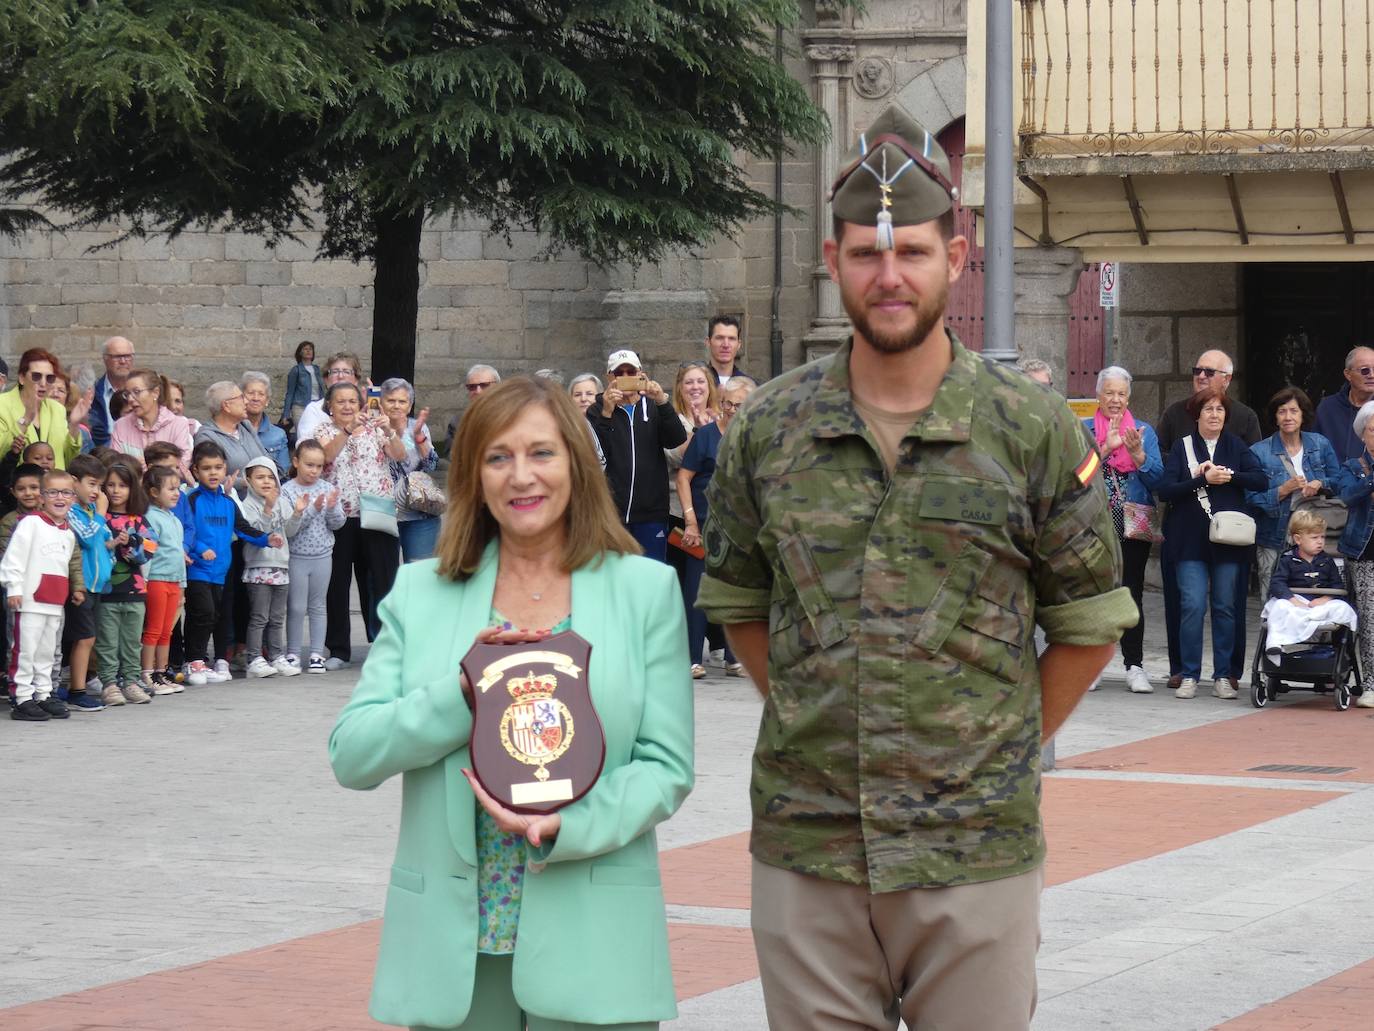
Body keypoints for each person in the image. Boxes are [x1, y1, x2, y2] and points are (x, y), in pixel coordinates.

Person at [696, 105, 1134, 1031]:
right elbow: (739, 603)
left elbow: (1090, 623)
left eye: (912, 254)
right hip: (807, 849)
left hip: (976, 852)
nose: (888, 277)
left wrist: (996, 745)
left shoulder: (1030, 428)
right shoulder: (768, 429)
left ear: (958, 254)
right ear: (832, 260)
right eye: (864, 255)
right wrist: (828, 714)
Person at [328, 375, 693, 1031]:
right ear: (474, 474)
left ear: (577, 466)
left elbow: (666, 766)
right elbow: (353, 754)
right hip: (457, 956)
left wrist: (566, 826)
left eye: (541, 453)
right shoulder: (420, 593)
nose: (521, 476)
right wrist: (462, 692)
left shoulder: (645, 591)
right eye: (498, 456)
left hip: (596, 945)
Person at [1155, 350, 1263, 692]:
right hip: (1189, 539)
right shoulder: (1184, 446)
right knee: (1192, 605)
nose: (1214, 414)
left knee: (1226, 607)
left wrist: (1228, 477)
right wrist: (1200, 478)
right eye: (1208, 409)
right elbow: (1165, 490)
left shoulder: (1235, 445)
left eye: (1219, 409)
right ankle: (1189, 674)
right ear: (1196, 415)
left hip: (1228, 541)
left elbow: (1261, 479)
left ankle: (1222, 676)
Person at [1084, 366, 1166, 694]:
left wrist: (1138, 455)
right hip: (1094, 523)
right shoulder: (1084, 428)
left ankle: (1135, 666)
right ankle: (1093, 666)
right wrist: (1104, 449)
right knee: (1097, 594)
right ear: (1098, 396)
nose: (1115, 400)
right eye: (1109, 393)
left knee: (1131, 592)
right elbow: (1074, 476)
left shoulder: (1144, 430)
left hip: (1134, 521)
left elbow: (1158, 480)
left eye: (1121, 394)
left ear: (1128, 398)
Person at [314, 381, 406, 669]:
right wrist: (347, 430)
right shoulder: (324, 431)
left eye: (353, 401)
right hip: (339, 516)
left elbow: (400, 455)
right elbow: (326, 457)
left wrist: (389, 429)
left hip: (377, 512)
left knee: (383, 580)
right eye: (340, 401)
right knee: (337, 583)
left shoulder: (376, 427)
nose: (347, 406)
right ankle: (339, 649)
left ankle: (385, 645)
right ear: (330, 406)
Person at [180, 441, 274, 686]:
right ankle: (193, 660)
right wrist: (200, 549)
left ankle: (216, 659)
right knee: (202, 613)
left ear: (225, 470)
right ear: (196, 472)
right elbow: (186, 530)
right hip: (198, 570)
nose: (213, 473)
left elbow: (242, 529)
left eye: (218, 467)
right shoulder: (192, 499)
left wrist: (266, 539)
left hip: (222, 572)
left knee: (219, 615)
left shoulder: (228, 502)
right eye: (207, 468)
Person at [678, 377, 753, 678]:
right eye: (728, 404)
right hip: (705, 526)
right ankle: (693, 658)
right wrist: (690, 520)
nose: (733, 410)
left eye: (740, 405)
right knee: (697, 592)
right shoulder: (706, 435)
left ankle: (734, 658)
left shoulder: (753, 437)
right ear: (721, 403)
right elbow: (684, 477)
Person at [587, 349, 687, 560]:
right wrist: (607, 413)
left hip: (651, 512)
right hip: (612, 513)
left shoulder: (653, 405)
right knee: (614, 576)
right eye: (618, 373)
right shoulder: (597, 409)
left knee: (651, 574)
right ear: (609, 377)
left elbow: (675, 439)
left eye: (630, 372)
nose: (624, 378)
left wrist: (662, 402)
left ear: (640, 374)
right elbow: (597, 454)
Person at [2, 469, 82, 722]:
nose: (60, 498)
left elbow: (65, 567)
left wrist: (73, 591)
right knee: (25, 650)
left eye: (66, 492)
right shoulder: (30, 524)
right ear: (42, 497)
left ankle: (43, 693)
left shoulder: (68, 533)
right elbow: (13, 558)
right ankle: (22, 697)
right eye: (53, 492)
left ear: (73, 498)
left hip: (54, 603)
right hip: (29, 602)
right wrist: (14, 588)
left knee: (47, 651)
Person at [1247, 387, 1342, 591]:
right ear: (1275, 416)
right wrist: (1282, 490)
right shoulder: (1258, 452)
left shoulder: (1320, 444)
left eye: (1293, 410)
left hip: (1316, 534)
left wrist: (1321, 483)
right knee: (1272, 596)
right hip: (1273, 535)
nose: (1288, 417)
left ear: (1303, 415)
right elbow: (1249, 498)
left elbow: (1340, 480)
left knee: (1316, 594)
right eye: (1282, 411)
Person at [281, 440, 345, 674]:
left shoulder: (327, 488)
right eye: (309, 465)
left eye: (318, 466)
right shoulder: (287, 490)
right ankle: (294, 653)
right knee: (296, 607)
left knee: (318, 606)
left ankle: (317, 653)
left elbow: (337, 524)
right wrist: (311, 510)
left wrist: (332, 507)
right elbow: (290, 528)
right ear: (296, 462)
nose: (314, 471)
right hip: (296, 556)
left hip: (322, 556)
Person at [238, 456, 305, 678]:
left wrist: (296, 513)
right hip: (258, 567)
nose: (266, 482)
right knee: (259, 617)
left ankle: (276, 656)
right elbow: (256, 532)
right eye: (260, 477)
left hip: (281, 567)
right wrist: (267, 509)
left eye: (270, 477)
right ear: (248, 481)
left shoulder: (282, 502)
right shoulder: (246, 505)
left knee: (277, 617)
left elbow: (291, 532)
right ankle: (254, 658)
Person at [97, 461, 155, 705]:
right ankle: (109, 684)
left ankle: (131, 681)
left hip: (135, 590)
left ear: (133, 489)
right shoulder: (99, 517)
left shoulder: (139, 520)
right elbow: (92, 549)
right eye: (110, 485)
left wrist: (130, 544)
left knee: (132, 641)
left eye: (122, 485)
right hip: (106, 590)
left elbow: (149, 551)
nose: (115, 490)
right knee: (107, 641)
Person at [65, 454, 112, 709]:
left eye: (99, 486)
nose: (97, 491)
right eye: (92, 484)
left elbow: (102, 542)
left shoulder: (90, 511)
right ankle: (76, 691)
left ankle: (76, 686)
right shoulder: (72, 511)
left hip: (97, 585)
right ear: (74, 482)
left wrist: (115, 545)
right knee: (84, 639)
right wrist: (102, 514)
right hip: (80, 585)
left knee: (88, 638)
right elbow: (85, 537)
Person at [1335, 400, 1374, 707]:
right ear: (1363, 434)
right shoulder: (1353, 466)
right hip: (1364, 553)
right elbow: (1347, 496)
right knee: (1369, 619)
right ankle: (1370, 682)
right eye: (1373, 430)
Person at [379, 377, 440, 563]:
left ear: (409, 404)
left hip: (419, 511)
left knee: (418, 574)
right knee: (383, 577)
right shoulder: (373, 428)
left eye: (402, 401)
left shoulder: (418, 427)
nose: (396, 406)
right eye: (391, 400)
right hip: (384, 512)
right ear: (381, 402)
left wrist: (419, 437)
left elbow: (431, 465)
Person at [0, 348, 90, 469]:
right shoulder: (3, 404)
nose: (43, 383)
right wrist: (25, 421)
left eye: (49, 378)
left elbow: (68, 461)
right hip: (17, 485)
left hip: (54, 486)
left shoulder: (57, 409)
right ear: (21, 378)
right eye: (36, 376)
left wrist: (74, 425)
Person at [140, 465, 186, 696]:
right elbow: (148, 552)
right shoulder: (149, 517)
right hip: (156, 579)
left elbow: (178, 555)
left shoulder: (175, 520)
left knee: (167, 630)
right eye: (171, 489)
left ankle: (161, 671)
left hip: (174, 581)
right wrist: (145, 581)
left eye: (177, 488)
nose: (176, 493)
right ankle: (147, 673)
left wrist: (182, 586)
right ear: (154, 492)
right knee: (154, 629)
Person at [108, 368, 195, 478]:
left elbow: (181, 466)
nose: (130, 399)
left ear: (155, 392)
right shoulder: (121, 426)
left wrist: (143, 467)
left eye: (136, 392)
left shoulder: (178, 424)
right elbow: (116, 466)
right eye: (127, 394)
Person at [193, 381, 268, 488]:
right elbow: (208, 476)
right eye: (242, 397)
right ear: (226, 406)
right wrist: (246, 483)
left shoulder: (245, 426)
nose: (246, 401)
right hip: (233, 500)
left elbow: (265, 456)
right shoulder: (207, 436)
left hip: (262, 498)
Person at [1316, 346, 1374, 463]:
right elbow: (1313, 451)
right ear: (1348, 374)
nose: (1372, 375)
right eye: (1365, 370)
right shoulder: (1327, 408)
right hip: (1332, 479)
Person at [297, 352, 366, 443]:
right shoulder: (314, 410)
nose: (340, 376)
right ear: (326, 379)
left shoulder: (365, 408)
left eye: (346, 372)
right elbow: (306, 447)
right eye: (335, 372)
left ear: (356, 379)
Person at [89, 336, 137, 448]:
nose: (123, 361)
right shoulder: (94, 395)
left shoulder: (143, 393)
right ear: (105, 359)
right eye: (117, 357)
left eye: (127, 356)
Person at [241, 371, 290, 476]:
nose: (255, 398)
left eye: (261, 394)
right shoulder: (233, 430)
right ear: (242, 398)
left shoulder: (278, 434)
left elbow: (283, 472)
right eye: (250, 393)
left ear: (267, 400)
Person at [445, 363, 501, 453]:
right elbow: (453, 459)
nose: (478, 391)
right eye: (472, 387)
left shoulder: (513, 418)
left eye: (484, 385)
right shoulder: (458, 422)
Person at [281, 341, 324, 429]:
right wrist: (285, 414)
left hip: (316, 406)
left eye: (310, 349)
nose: (308, 351)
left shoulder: (317, 370)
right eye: (305, 349)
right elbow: (290, 393)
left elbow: (323, 390)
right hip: (300, 407)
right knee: (302, 433)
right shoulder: (296, 370)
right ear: (300, 352)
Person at [567, 373, 605, 469]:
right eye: (577, 395)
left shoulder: (609, 423)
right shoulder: (565, 427)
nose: (583, 399)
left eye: (589, 394)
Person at [51, 371, 94, 455]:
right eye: (51, 389)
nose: (55, 394)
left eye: (61, 390)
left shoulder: (81, 432)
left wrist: (74, 426)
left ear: (67, 398)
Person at [705, 315, 744, 386]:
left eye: (731, 339)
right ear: (708, 342)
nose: (726, 345)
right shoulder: (697, 386)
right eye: (719, 338)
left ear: (738, 344)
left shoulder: (750, 387)